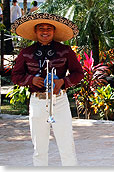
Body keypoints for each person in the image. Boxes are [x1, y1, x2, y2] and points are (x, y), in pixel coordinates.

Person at [11, 12, 83, 166]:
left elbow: (78, 73)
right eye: (41, 28)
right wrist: (31, 80)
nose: (45, 31)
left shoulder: (65, 50)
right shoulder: (26, 53)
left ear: (54, 31)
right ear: (35, 31)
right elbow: (16, 76)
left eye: (49, 28)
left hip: (60, 102)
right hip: (37, 102)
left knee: (67, 147)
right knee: (39, 149)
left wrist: (63, 82)